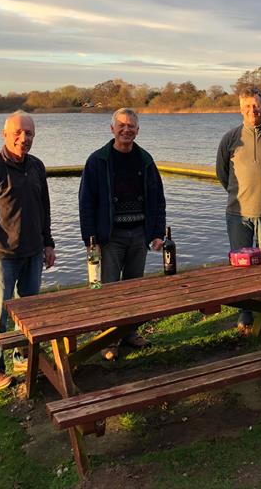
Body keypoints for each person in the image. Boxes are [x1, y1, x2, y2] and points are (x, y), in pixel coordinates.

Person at [0, 111, 55, 391]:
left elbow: (44, 208)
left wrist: (48, 243)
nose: (23, 138)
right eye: (17, 133)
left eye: (28, 133)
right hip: (0, 257)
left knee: (28, 313)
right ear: (4, 134)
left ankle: (21, 356)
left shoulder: (37, 166)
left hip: (33, 254)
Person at [79, 108, 167, 359]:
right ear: (112, 129)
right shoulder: (98, 161)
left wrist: (157, 232)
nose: (126, 130)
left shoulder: (146, 160)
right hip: (109, 237)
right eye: (121, 125)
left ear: (137, 131)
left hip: (139, 235)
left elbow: (158, 199)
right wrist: (90, 240)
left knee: (132, 288)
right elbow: (86, 203)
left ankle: (129, 332)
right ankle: (109, 340)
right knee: (107, 289)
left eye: (131, 126)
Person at [216, 86, 261, 332]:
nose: (252, 110)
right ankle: (245, 313)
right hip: (238, 214)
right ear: (240, 109)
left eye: (256, 105)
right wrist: (241, 194)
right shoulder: (230, 139)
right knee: (241, 267)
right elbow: (222, 173)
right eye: (247, 106)